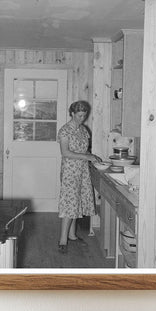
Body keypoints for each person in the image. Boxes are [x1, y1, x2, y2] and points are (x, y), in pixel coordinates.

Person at [57, 100, 101, 254]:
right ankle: (63, 239)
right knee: (70, 203)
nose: (81, 118)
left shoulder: (84, 130)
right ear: (72, 113)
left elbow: (86, 149)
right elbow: (65, 153)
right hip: (70, 171)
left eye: (84, 116)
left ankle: (72, 235)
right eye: (79, 115)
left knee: (78, 201)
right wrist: (87, 156)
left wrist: (91, 157)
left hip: (82, 170)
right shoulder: (64, 131)